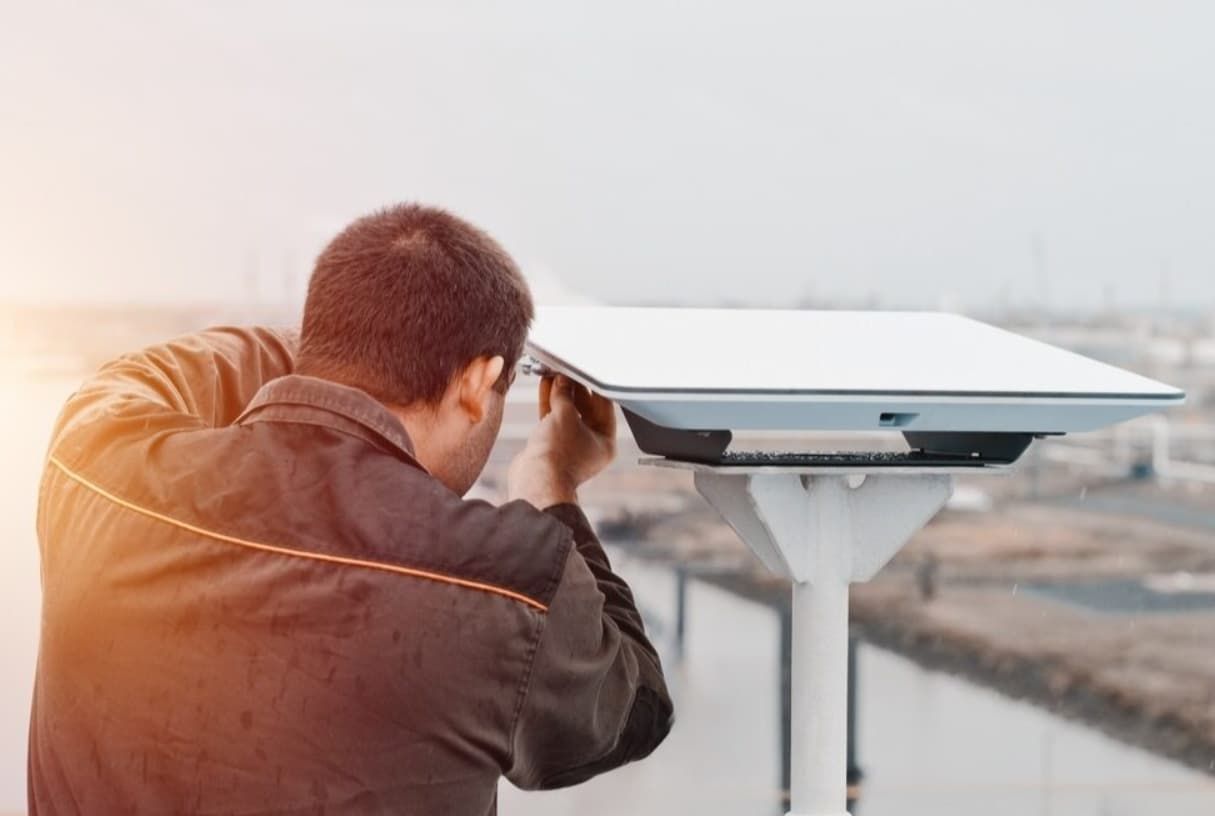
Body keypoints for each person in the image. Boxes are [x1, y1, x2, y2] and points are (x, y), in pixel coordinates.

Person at [28, 203, 674, 814]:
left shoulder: (96, 463)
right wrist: (549, 484)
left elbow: (148, 373)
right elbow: (631, 709)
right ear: (479, 384)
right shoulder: (502, 579)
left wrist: (346, 345)